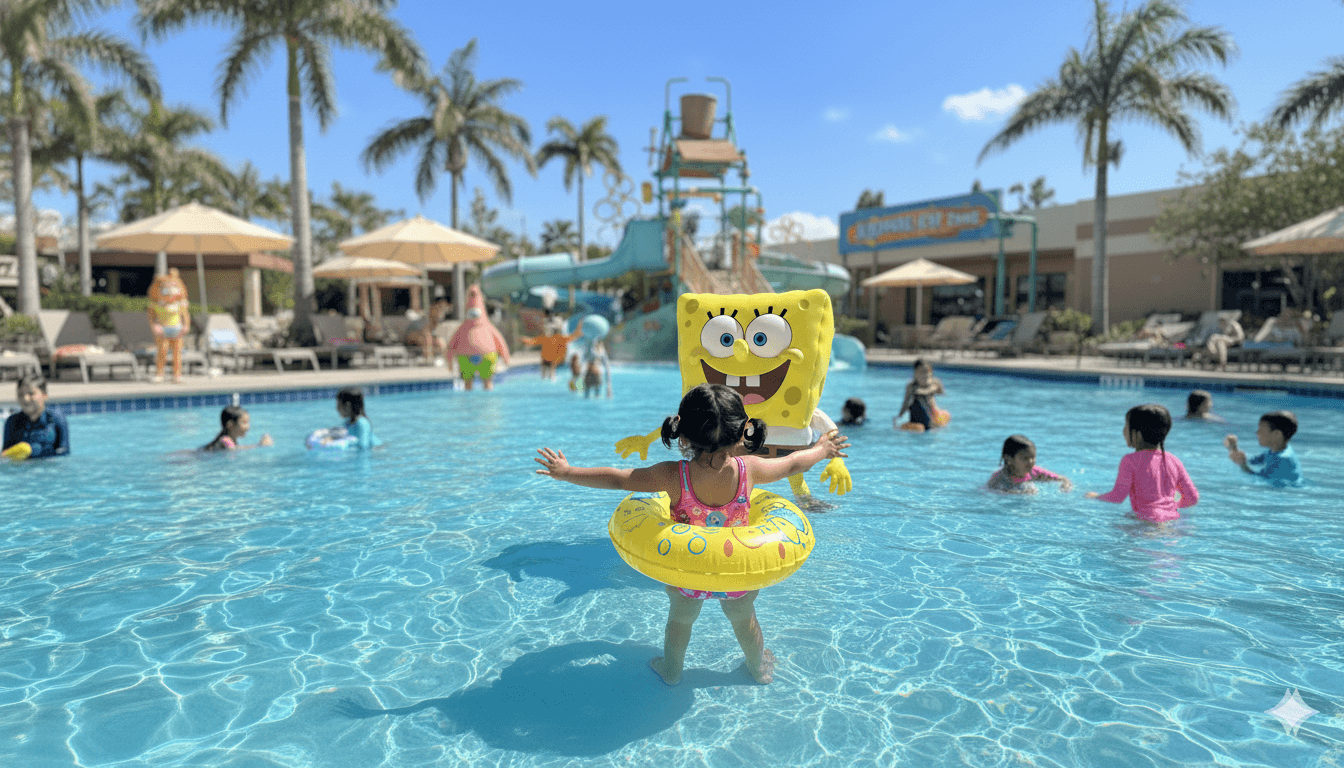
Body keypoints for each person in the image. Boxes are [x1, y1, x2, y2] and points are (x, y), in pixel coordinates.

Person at [533, 383, 850, 686]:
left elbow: (618, 479)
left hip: (687, 572)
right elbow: (793, 463)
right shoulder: (750, 469)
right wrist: (822, 449)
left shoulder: (673, 475)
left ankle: (671, 671)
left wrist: (568, 473)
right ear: (742, 431)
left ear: (682, 433)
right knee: (744, 621)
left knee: (680, 623)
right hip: (736, 572)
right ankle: (758, 668)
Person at [1085, 404, 1198, 523]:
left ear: (1137, 434)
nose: (1123, 431)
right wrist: (1168, 508)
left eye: (1126, 426)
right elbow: (1192, 498)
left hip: (1146, 521)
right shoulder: (1174, 460)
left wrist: (1096, 497)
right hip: (1172, 520)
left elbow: (1117, 497)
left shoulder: (1130, 460)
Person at [1225, 410, 1301, 486]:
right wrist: (1234, 448)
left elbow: (1260, 479)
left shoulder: (1282, 459)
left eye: (1261, 430)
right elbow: (1250, 462)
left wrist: (1242, 464)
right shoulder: (1273, 451)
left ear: (1276, 434)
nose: (1257, 433)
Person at [3, 373, 69, 459]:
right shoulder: (12, 422)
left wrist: (34, 452)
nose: (25, 398)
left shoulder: (56, 419)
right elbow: (5, 456)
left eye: (31, 393)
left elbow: (64, 451)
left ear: (45, 395)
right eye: (20, 394)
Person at [987, 435, 1072, 493]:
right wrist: (1020, 493)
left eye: (1033, 457)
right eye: (1025, 458)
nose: (1031, 461)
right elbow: (991, 492)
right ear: (1009, 459)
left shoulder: (1034, 471)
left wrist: (1065, 485)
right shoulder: (999, 478)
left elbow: (1063, 479)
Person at [147, 268, 191, 383]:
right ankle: (160, 373)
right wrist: (154, 326)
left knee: (177, 353)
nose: (171, 293)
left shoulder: (179, 305)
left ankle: (177, 374)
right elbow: (152, 317)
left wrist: (186, 325)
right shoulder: (156, 305)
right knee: (162, 351)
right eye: (166, 291)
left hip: (177, 328)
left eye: (174, 290)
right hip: (163, 329)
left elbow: (185, 316)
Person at [310, 387, 381, 450]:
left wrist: (346, 444)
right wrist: (331, 439)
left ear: (348, 405)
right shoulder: (348, 422)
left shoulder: (362, 423)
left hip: (377, 452)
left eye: (338, 405)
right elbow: (344, 436)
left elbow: (364, 446)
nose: (336, 408)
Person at [896, 358, 945, 432]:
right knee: (920, 428)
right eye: (922, 372)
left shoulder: (934, 383)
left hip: (931, 417)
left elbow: (938, 391)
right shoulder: (911, 386)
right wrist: (900, 415)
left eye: (928, 372)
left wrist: (924, 391)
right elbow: (905, 403)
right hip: (917, 419)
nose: (925, 375)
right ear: (915, 374)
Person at [201, 405, 273, 452]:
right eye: (244, 423)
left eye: (248, 422)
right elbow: (234, 450)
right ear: (230, 425)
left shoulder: (231, 440)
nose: (248, 427)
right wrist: (259, 445)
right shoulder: (225, 440)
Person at [405, 297, 450, 363]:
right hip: (411, 339)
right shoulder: (424, 319)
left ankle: (442, 360)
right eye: (439, 308)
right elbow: (415, 334)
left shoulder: (439, 322)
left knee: (440, 342)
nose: (441, 311)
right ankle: (428, 359)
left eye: (443, 309)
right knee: (427, 338)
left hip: (425, 341)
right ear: (432, 308)